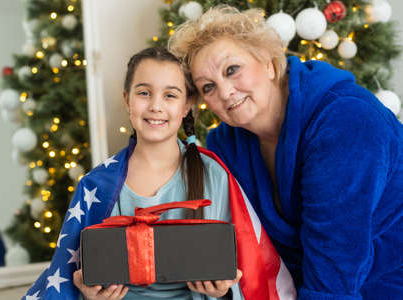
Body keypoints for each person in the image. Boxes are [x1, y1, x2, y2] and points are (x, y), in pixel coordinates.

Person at [168, 5, 403, 300]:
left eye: (232, 70)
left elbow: (335, 263)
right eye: (209, 87)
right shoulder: (226, 144)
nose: (225, 92)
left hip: (382, 283)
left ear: (268, 63)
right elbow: (228, 238)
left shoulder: (347, 121)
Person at [22, 47, 296, 300]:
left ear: (186, 105)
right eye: (144, 93)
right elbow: (72, 279)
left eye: (170, 95)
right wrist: (90, 295)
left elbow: (243, 273)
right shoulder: (96, 185)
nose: (156, 106)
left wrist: (221, 291)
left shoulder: (215, 176)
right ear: (127, 100)